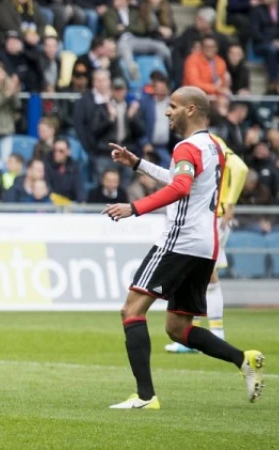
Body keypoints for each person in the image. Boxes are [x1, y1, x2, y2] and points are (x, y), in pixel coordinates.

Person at [102, 86, 264, 409]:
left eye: (172, 106)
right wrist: (138, 164)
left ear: (190, 110)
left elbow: (180, 187)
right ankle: (242, 360)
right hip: (204, 246)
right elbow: (183, 180)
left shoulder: (186, 147)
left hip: (179, 241)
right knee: (178, 328)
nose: (166, 112)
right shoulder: (213, 147)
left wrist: (134, 207)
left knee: (131, 310)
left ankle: (146, 398)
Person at [164, 134, 249, 353]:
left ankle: (216, 332)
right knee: (195, 276)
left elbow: (240, 168)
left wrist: (229, 202)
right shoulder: (203, 142)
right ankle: (191, 335)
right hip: (207, 216)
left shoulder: (211, 141)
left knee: (209, 276)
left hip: (215, 216)